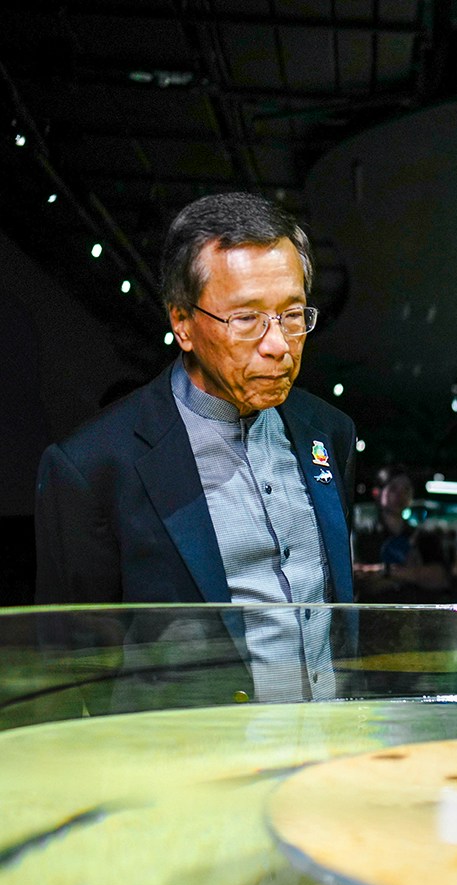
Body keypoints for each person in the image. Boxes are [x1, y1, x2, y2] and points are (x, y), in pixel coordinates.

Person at [34, 191, 355, 703]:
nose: (278, 345)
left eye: (292, 315)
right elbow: (68, 671)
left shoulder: (329, 433)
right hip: (190, 766)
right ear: (182, 322)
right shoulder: (95, 466)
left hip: (323, 760)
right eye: (246, 319)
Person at [353, 465, 452, 601]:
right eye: (393, 488)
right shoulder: (363, 535)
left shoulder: (424, 537)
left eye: (406, 489)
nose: (401, 495)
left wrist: (383, 572)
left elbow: (440, 578)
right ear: (377, 493)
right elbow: (361, 580)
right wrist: (413, 575)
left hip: (414, 617)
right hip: (373, 617)